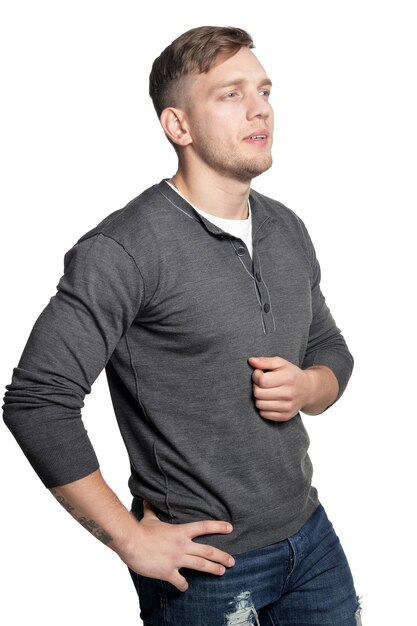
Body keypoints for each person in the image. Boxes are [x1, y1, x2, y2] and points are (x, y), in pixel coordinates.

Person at [3, 26, 361, 626]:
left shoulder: (287, 227)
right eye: (230, 94)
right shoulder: (124, 249)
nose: (260, 108)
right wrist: (128, 538)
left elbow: (330, 347)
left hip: (311, 538)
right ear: (178, 126)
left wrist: (312, 386)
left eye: (265, 90)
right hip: (208, 568)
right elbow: (38, 401)